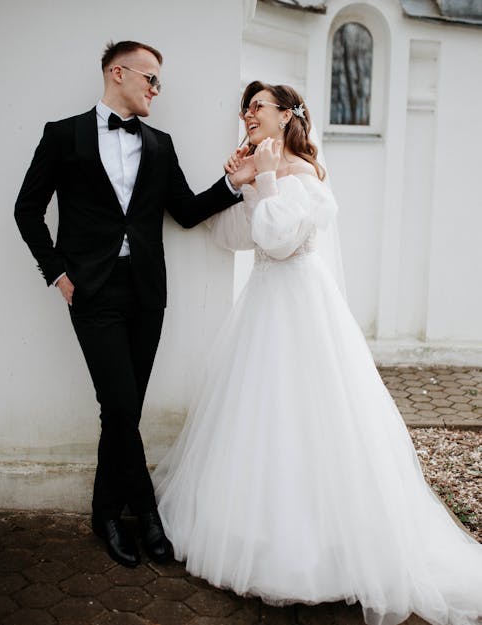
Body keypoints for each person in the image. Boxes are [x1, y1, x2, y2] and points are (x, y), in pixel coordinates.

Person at [153, 81, 482, 625]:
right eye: (246, 107)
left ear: (286, 117)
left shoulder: (306, 177)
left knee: (312, 419)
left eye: (258, 107)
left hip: (302, 308)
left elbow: (280, 239)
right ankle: (258, 531)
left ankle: (324, 545)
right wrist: (238, 184)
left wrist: (261, 178)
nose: (248, 114)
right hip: (263, 306)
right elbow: (236, 237)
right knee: (262, 421)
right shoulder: (267, 174)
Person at [14, 40, 245, 568]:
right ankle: (147, 515)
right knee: (119, 406)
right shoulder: (63, 135)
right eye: (151, 79)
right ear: (118, 73)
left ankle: (105, 513)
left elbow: (185, 212)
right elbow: (27, 210)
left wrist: (234, 183)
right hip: (91, 291)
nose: (156, 91)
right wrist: (58, 274)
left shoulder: (159, 145)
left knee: (123, 412)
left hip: (146, 292)